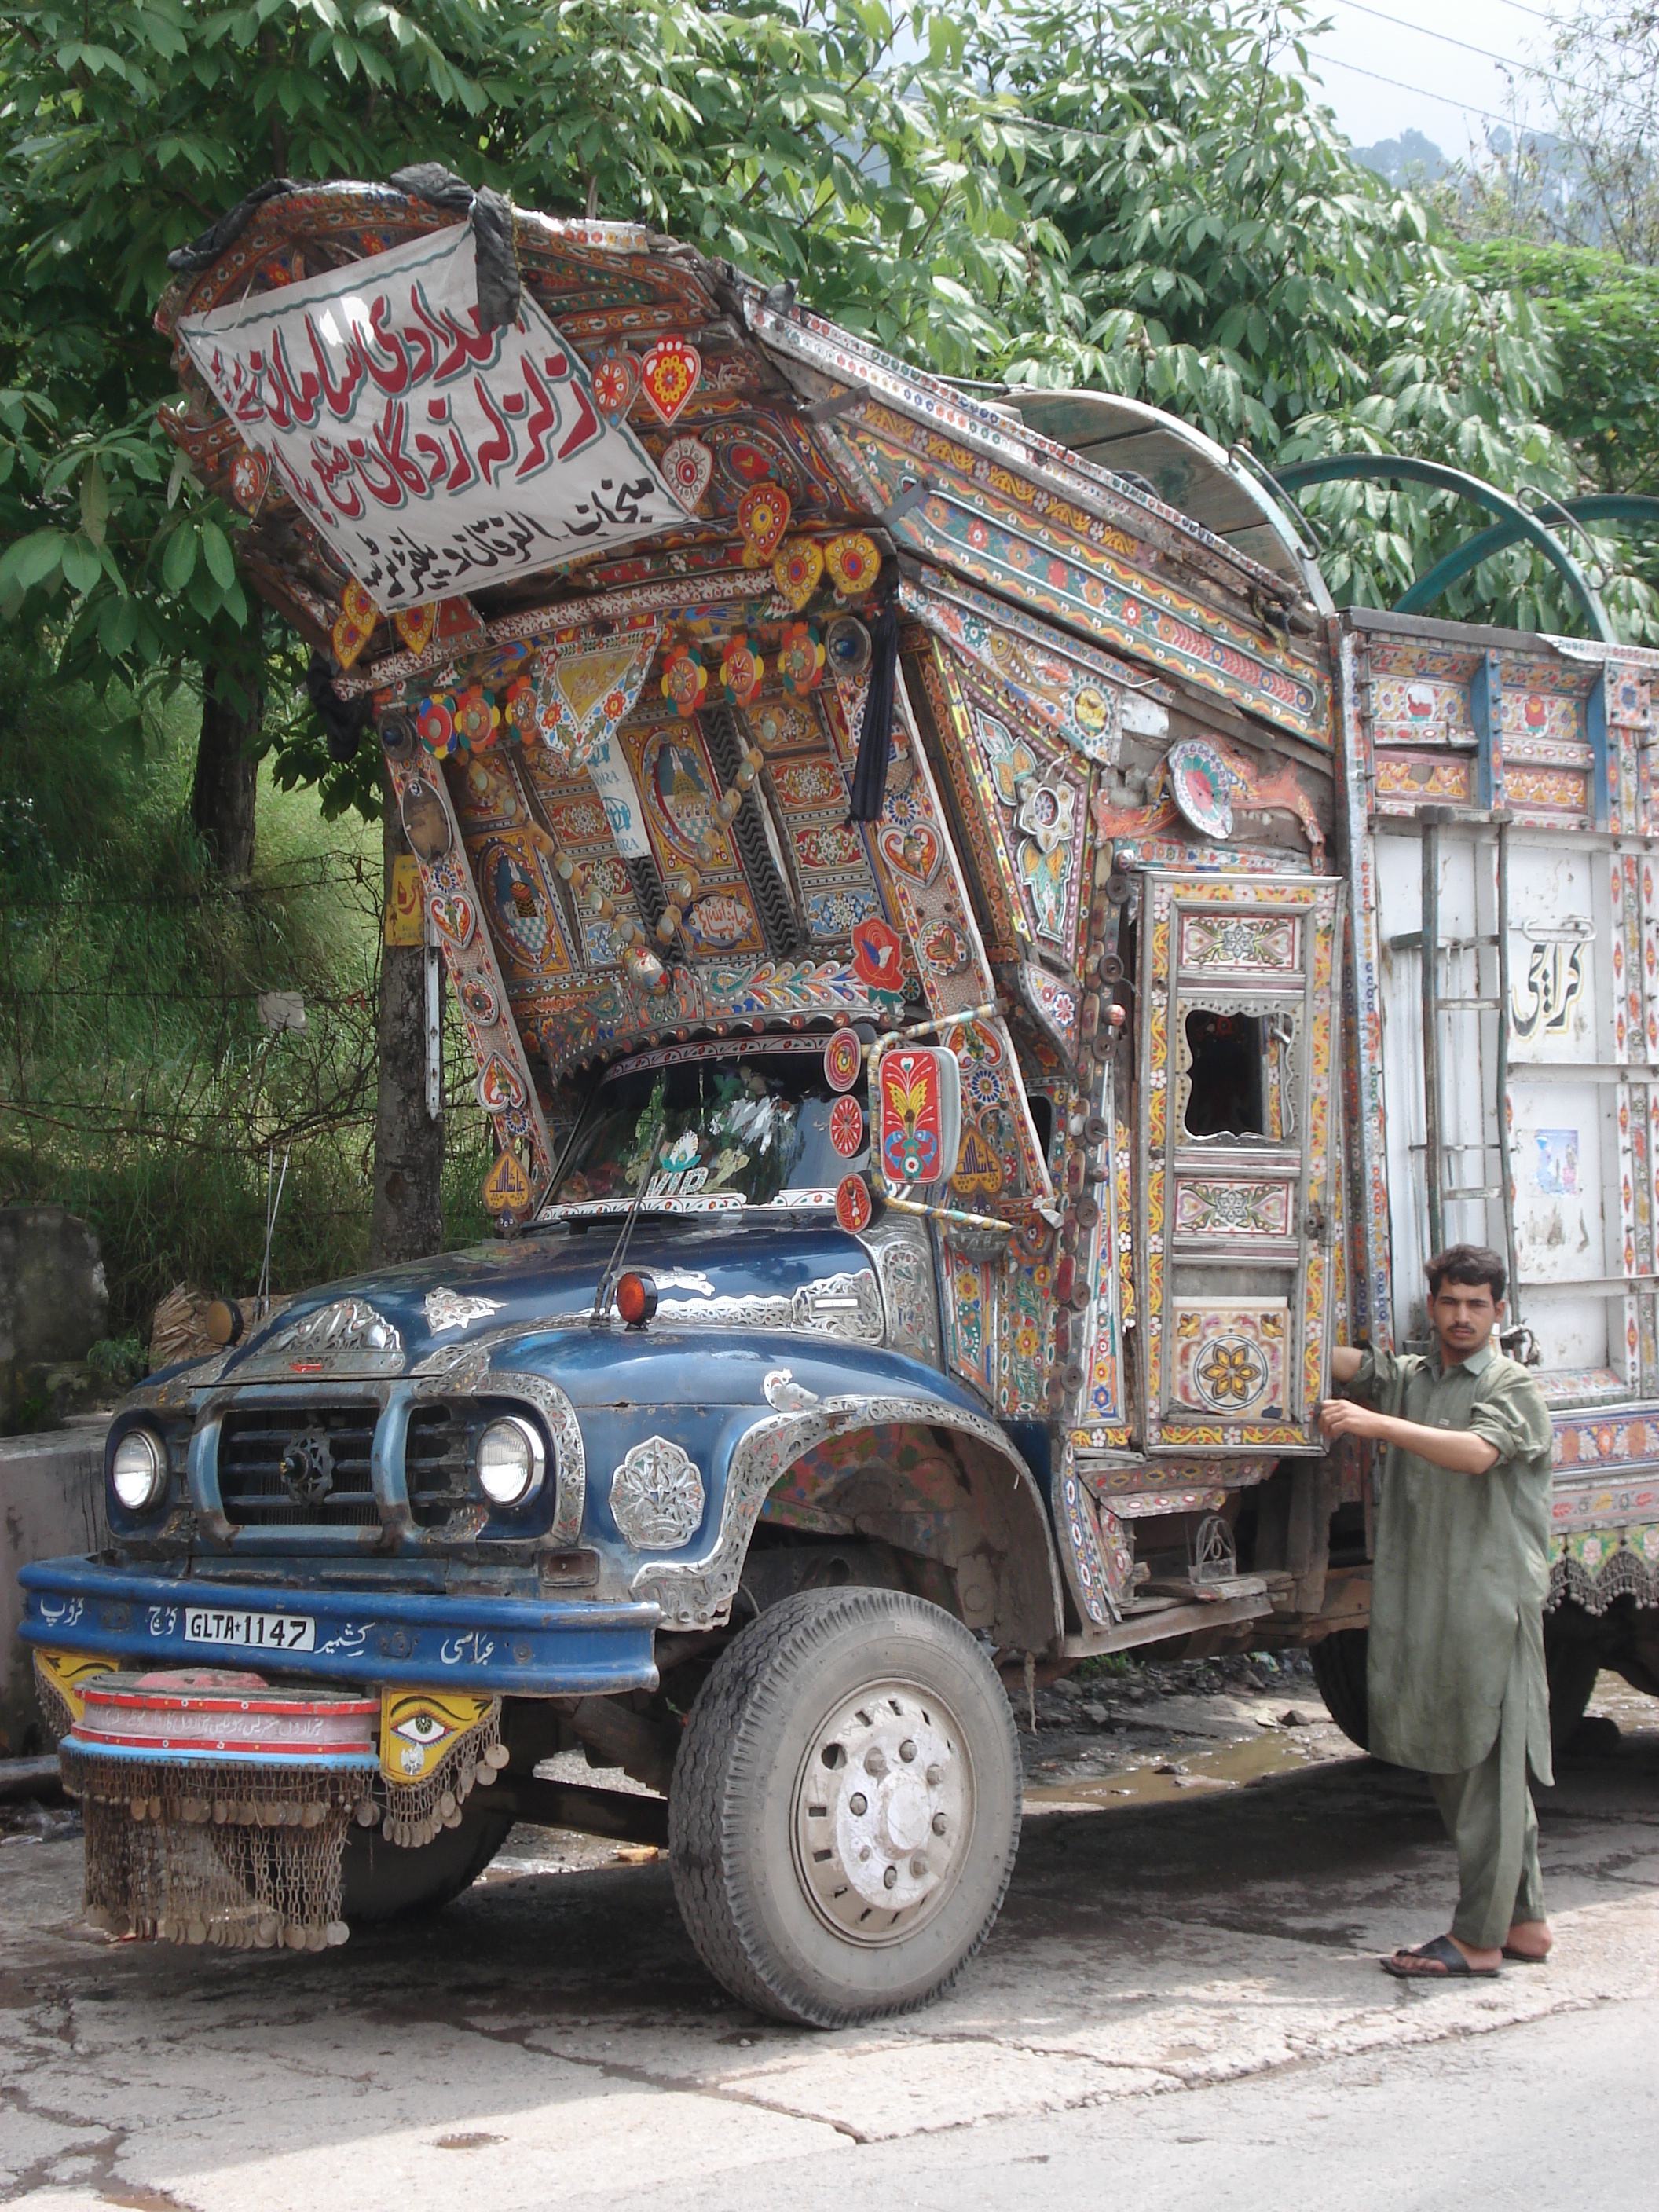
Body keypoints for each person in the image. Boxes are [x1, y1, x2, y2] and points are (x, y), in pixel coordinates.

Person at [1320, 1243, 1555, 1979]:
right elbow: (1362, 1366)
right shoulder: (1421, 1378)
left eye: (1475, 1306)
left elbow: (1477, 1455)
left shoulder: (1511, 1387)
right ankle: (1524, 1924)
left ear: (1498, 1312)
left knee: (1478, 1769)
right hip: (1437, 1600)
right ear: (1434, 1305)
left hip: (1487, 1607)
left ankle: (1477, 1940)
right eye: (1450, 1302)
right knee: (1474, 1767)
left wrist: (1373, 1426)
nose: (1461, 1317)